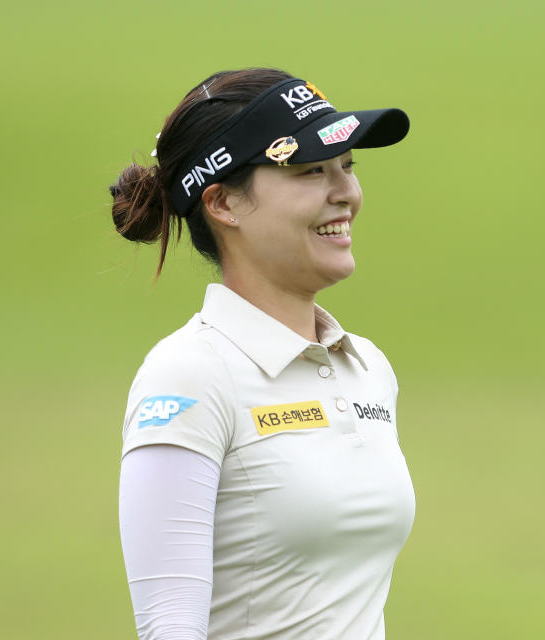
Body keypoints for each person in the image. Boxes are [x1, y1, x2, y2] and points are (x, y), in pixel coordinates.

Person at [110, 68, 415, 640]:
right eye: (308, 171)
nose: (344, 192)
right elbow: (168, 626)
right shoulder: (189, 376)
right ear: (224, 203)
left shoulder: (367, 367)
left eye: (347, 166)